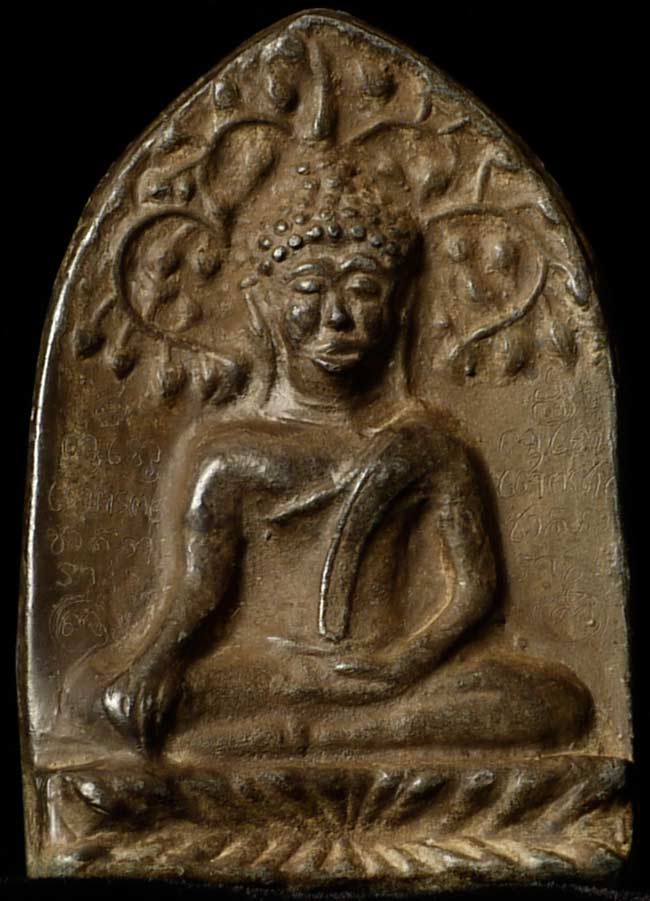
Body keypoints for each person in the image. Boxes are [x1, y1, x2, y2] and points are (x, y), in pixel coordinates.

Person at [69, 153, 593, 760]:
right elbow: (197, 593)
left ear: (399, 307)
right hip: (275, 673)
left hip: (398, 678)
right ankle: (330, 739)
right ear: (266, 306)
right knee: (96, 703)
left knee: (558, 702)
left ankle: (308, 742)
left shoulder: (432, 448)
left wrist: (404, 664)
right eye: (310, 289)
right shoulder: (233, 456)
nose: (337, 315)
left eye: (363, 289)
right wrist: (156, 663)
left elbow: (475, 588)